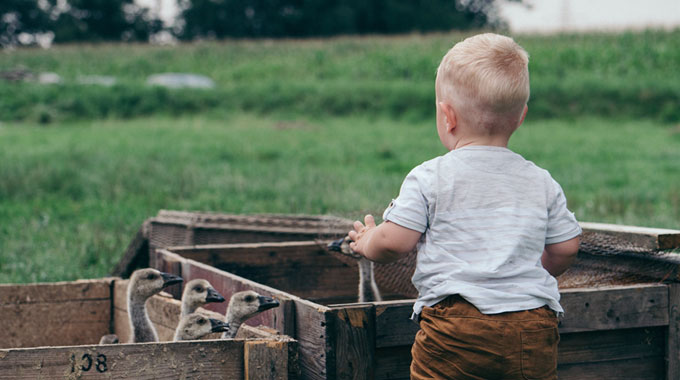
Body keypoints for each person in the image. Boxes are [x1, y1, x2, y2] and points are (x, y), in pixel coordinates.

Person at [347, 33, 581, 380]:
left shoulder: (430, 177)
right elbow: (566, 247)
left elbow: (395, 242)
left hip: (455, 327)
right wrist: (538, 270)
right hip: (531, 325)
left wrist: (367, 241)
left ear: (447, 116)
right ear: (520, 117)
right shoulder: (540, 180)